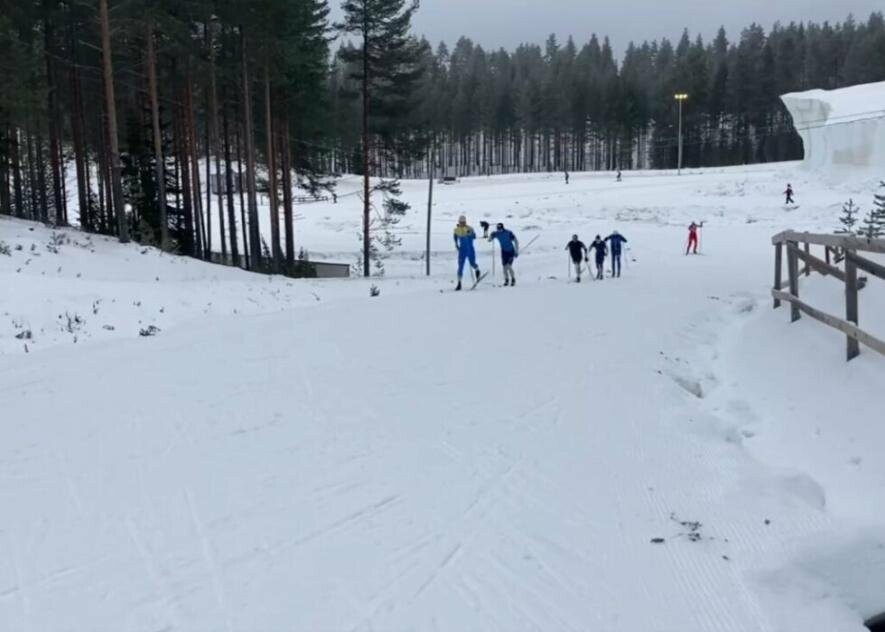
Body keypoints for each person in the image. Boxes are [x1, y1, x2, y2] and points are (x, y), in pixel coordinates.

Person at [453, 215, 481, 291]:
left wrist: (470, 233)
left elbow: (474, 236)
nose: (462, 223)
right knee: (460, 266)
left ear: (465, 222)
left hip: (470, 249)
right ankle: (459, 283)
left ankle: (477, 270)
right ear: (459, 222)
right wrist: (456, 245)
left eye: (463, 222)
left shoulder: (470, 228)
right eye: (461, 222)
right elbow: (455, 237)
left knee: (472, 263)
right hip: (462, 250)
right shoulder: (456, 230)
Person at [489, 222, 519, 286]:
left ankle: (513, 279)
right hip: (504, 252)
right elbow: (490, 240)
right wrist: (491, 235)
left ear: (503, 228)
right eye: (498, 229)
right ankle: (506, 280)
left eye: (500, 229)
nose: (499, 230)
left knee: (508, 266)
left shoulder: (508, 233)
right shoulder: (497, 233)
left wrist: (516, 251)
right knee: (504, 267)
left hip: (511, 251)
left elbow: (516, 240)